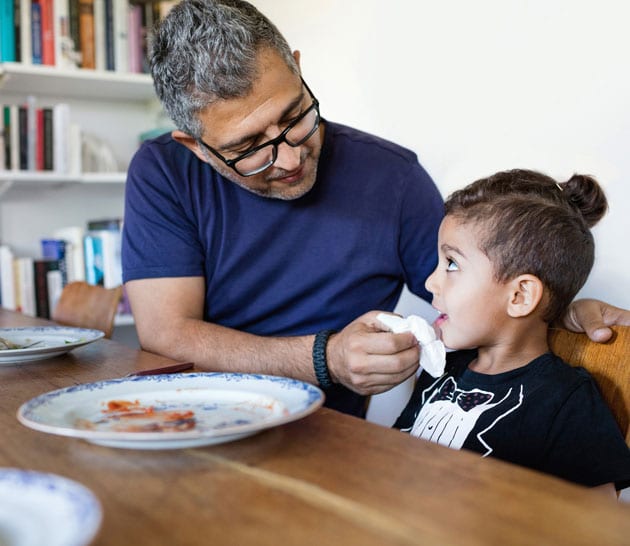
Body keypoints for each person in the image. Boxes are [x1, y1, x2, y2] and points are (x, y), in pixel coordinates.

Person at [121, 0, 630, 418]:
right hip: (191, 420)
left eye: (295, 116)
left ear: (298, 68)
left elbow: (474, 291)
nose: (293, 158)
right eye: (250, 147)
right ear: (195, 145)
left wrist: (555, 309)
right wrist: (325, 358)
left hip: (329, 442)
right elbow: (166, 332)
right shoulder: (162, 171)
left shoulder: (394, 177)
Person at [393, 169, 630, 494]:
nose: (430, 282)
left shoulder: (567, 402)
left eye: (451, 264)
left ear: (519, 297)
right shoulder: (440, 367)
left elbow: (599, 527)